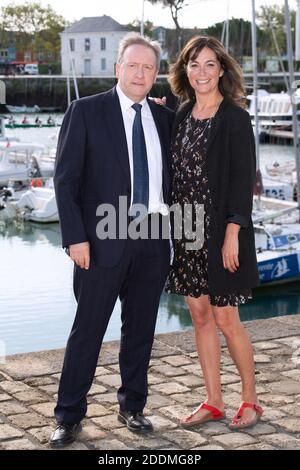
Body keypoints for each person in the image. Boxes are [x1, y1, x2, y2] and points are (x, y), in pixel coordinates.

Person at [49, 33, 173, 448]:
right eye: (133, 65)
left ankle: (133, 406)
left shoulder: (166, 118)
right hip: (101, 241)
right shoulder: (85, 111)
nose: (140, 73)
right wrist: (75, 239)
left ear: (157, 74)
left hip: (153, 239)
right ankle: (68, 416)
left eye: (148, 67)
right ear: (117, 67)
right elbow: (66, 182)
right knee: (88, 330)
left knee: (141, 330)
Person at [165, 36, 262, 430]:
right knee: (200, 315)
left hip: (222, 230)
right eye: (193, 64)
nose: (201, 72)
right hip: (186, 228)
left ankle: (251, 401)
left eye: (209, 64)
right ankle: (214, 400)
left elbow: (243, 180)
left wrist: (232, 233)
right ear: (184, 71)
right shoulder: (182, 113)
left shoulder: (236, 118)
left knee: (226, 318)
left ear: (222, 69)